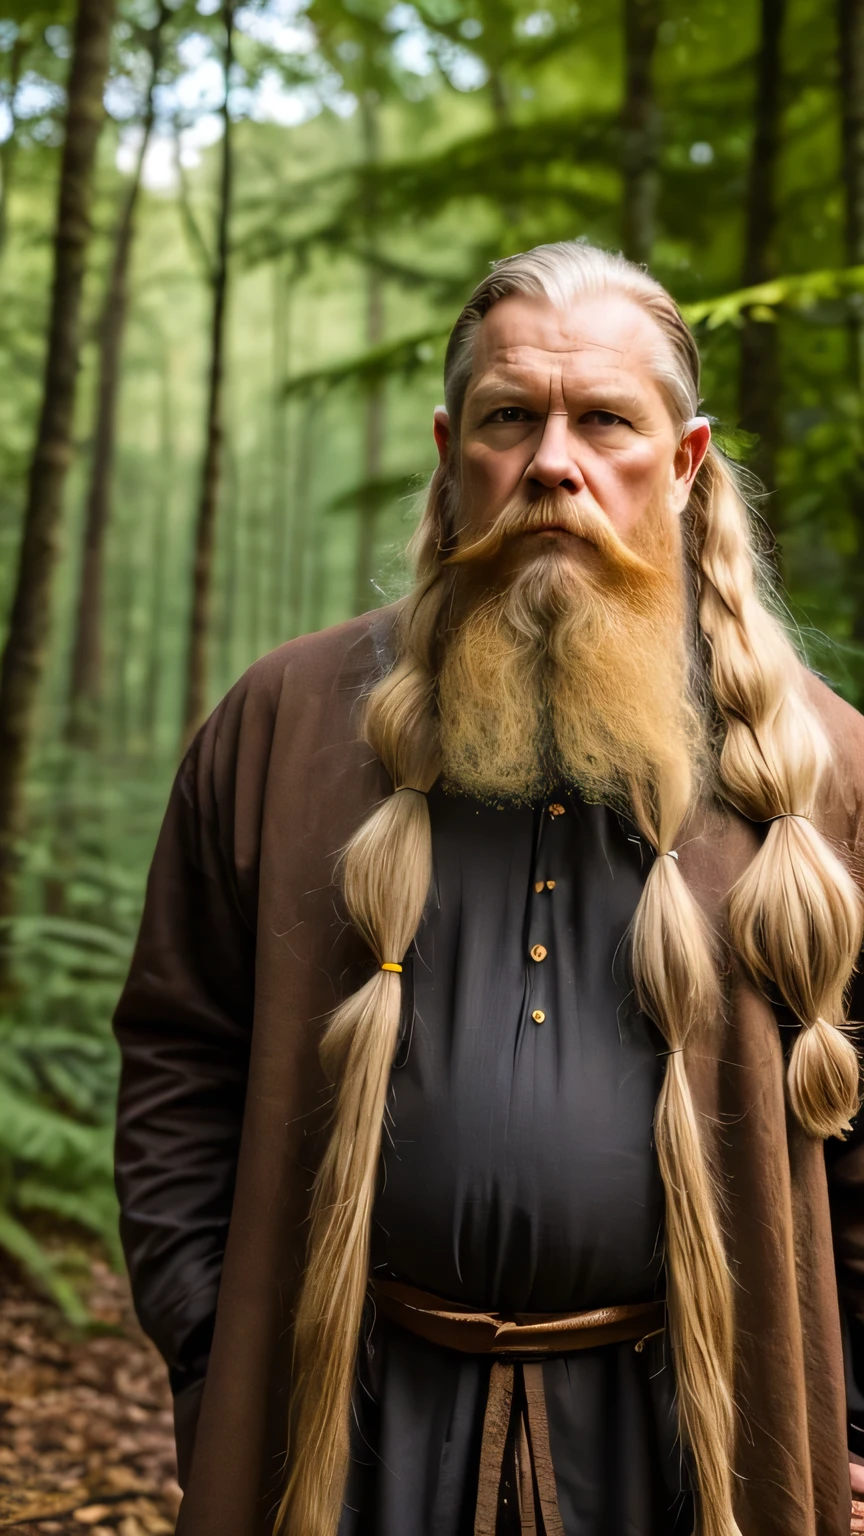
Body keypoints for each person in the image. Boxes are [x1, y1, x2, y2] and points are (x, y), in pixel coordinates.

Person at [113, 240, 864, 1536]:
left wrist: (851, 1427)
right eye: (514, 419)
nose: (555, 464)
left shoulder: (822, 774)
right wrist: (208, 1358)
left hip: (694, 1454)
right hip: (341, 1442)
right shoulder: (281, 726)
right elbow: (180, 1061)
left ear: (683, 465)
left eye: (606, 421)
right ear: (459, 450)